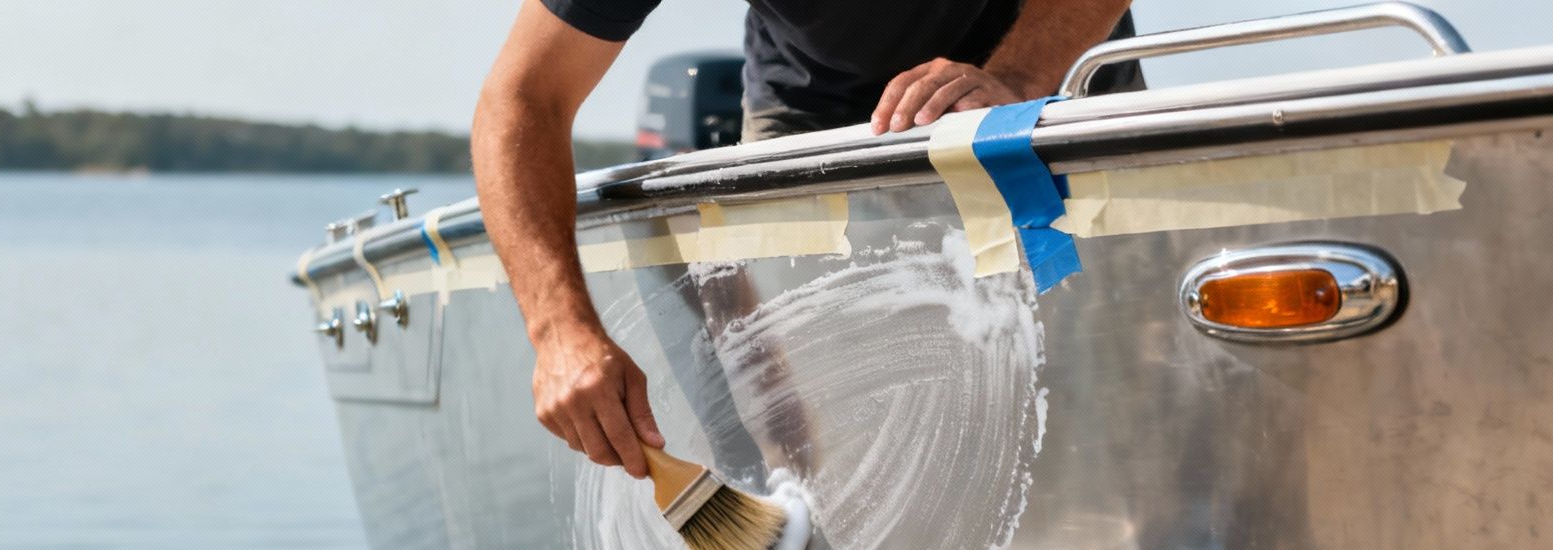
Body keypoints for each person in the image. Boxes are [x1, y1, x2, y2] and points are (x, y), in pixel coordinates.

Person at [472, 0, 1142, 478]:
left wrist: (1019, 79)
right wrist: (558, 331)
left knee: (1094, 409)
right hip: (814, 113)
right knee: (815, 440)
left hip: (1050, 83)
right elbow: (524, 96)